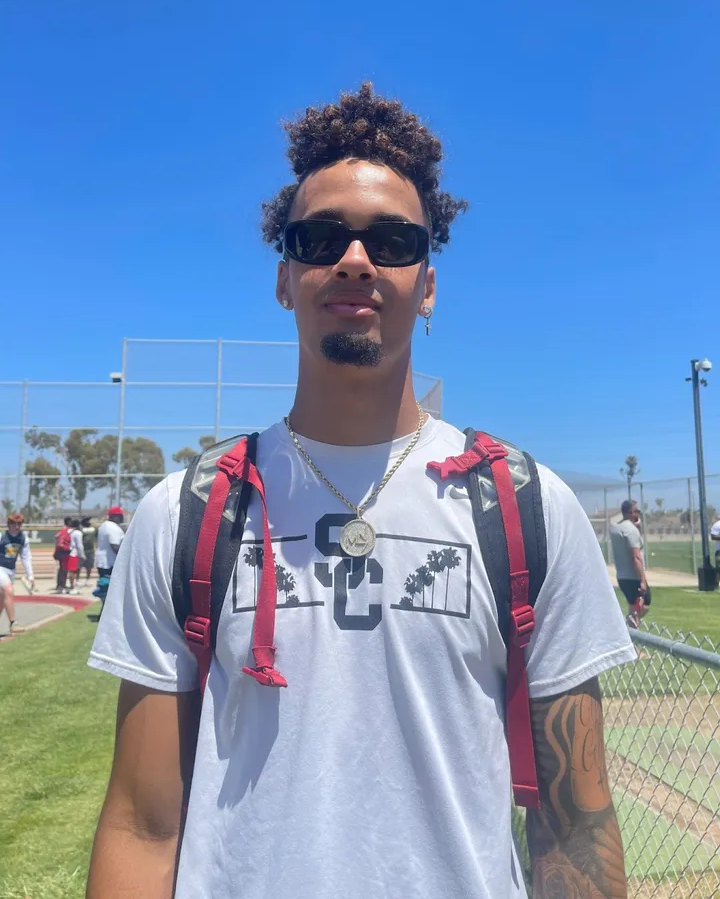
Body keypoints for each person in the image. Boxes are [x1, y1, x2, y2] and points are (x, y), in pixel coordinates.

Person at [87, 84, 635, 899]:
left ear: (430, 284)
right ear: (285, 278)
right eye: (321, 237)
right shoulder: (188, 514)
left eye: (392, 240)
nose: (355, 259)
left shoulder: (526, 507)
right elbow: (142, 823)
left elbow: (577, 824)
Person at [610, 499, 649, 628]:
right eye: (637, 511)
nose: (638, 513)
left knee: (634, 605)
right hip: (633, 577)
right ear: (631, 512)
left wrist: (636, 527)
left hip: (622, 575)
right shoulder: (630, 530)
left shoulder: (617, 528)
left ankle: (631, 635)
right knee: (644, 604)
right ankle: (629, 633)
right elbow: (636, 557)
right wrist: (642, 580)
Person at [0, 513, 35, 634]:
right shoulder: (1, 536)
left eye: (20, 524)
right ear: (9, 524)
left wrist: (30, 575)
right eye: (14, 524)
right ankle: (13, 623)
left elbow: (26, 557)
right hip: (0, 568)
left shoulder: (23, 538)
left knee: (2, 599)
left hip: (11, 570)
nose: (17, 526)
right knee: (9, 590)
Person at [93, 507, 125, 607]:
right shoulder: (113, 527)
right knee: (111, 589)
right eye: (120, 515)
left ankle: (103, 611)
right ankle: (106, 612)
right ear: (115, 516)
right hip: (109, 563)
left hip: (103, 561)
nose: (122, 517)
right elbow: (115, 547)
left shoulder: (104, 525)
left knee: (105, 588)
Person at [53, 516, 73, 594]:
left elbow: (56, 537)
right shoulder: (65, 530)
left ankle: (60, 585)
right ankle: (61, 585)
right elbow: (60, 543)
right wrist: (68, 548)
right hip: (63, 552)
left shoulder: (63, 530)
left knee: (62, 569)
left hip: (61, 552)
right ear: (68, 522)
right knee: (63, 569)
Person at [66, 518, 85, 595]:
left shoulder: (69, 531)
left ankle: (72, 585)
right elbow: (79, 545)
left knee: (71, 570)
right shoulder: (77, 533)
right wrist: (82, 555)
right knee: (73, 571)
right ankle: (72, 587)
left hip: (68, 552)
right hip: (74, 553)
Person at [81, 516, 96, 586]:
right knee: (79, 566)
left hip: (90, 550)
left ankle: (87, 579)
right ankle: (77, 580)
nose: (89, 522)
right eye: (87, 520)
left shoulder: (93, 528)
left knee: (89, 566)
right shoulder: (81, 528)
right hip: (82, 550)